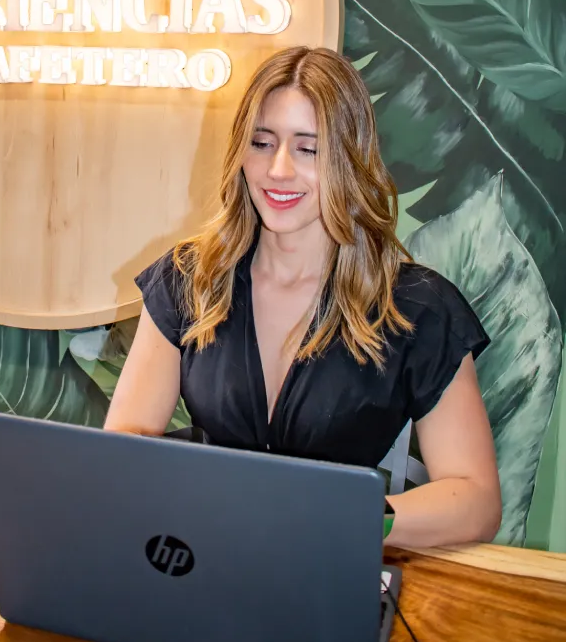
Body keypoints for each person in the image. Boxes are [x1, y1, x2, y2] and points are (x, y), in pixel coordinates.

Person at [104, 46, 502, 549]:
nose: (278, 170)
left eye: (308, 149)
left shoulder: (418, 308)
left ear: (350, 160)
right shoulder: (189, 279)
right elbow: (122, 446)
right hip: (201, 558)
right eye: (262, 143)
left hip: (329, 573)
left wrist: (345, 521)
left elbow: (477, 501)